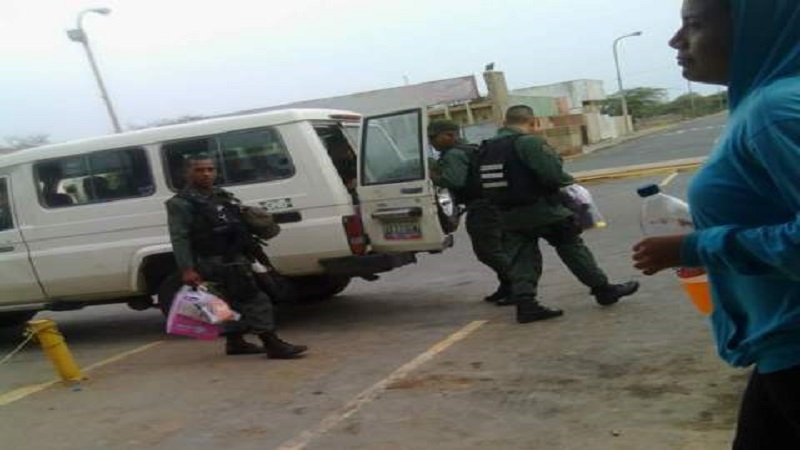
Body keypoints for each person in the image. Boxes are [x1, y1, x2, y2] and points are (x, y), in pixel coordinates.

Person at [633, 1, 800, 447]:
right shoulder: (765, 104)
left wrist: (696, 248)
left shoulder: (775, 111)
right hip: (780, 348)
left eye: (694, 25)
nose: (676, 41)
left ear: (753, 29)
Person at [483, 105, 639, 324]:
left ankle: (526, 304)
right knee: (572, 248)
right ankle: (603, 289)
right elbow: (552, 175)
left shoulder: (487, 147)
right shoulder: (529, 142)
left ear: (505, 123)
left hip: (508, 214)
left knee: (521, 258)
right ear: (533, 122)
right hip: (543, 210)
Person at [166, 154, 307, 359]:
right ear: (187, 173)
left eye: (210, 169)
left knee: (227, 301)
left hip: (234, 255)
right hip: (216, 260)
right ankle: (272, 343)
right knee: (255, 299)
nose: (206, 173)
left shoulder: (220, 195)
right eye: (199, 170)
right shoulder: (180, 204)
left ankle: (235, 342)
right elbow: (179, 237)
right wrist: (187, 268)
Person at [427, 119, 512, 303]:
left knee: (488, 251)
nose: (431, 142)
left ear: (450, 135)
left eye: (434, 137)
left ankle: (518, 287)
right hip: (490, 204)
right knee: (496, 249)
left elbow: (454, 181)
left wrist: (432, 173)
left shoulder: (454, 155)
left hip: (482, 207)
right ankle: (508, 285)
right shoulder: (470, 149)